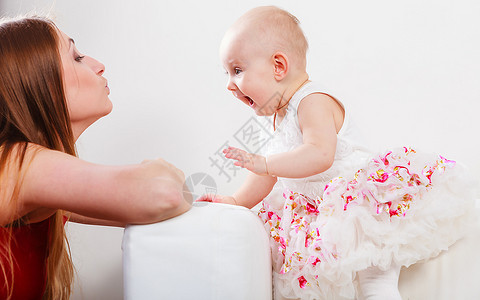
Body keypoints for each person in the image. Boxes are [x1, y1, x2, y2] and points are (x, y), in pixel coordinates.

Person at [199, 6, 475, 300]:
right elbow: (270, 175)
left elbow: (319, 154)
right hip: (322, 214)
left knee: (375, 283)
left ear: (279, 66)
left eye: (237, 71)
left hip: (360, 206)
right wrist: (235, 201)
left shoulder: (312, 101)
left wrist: (264, 163)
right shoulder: (276, 118)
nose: (229, 84)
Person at [0, 16, 191, 300]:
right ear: (41, 85)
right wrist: (158, 170)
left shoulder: (34, 179)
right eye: (76, 57)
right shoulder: (17, 164)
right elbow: (165, 192)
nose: (98, 64)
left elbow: (160, 204)